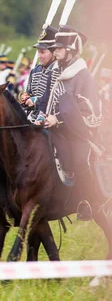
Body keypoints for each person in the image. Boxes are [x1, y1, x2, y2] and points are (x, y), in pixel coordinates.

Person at [42, 25, 103, 220]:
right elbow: (47, 100)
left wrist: (57, 119)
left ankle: (87, 200)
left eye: (59, 48)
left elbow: (87, 110)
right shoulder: (55, 72)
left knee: (79, 160)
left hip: (78, 131)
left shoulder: (83, 76)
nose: (55, 51)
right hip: (51, 126)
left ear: (70, 50)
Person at [18, 25, 60, 121]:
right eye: (38, 52)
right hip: (32, 116)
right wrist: (25, 97)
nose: (39, 56)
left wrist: (35, 101)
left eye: (43, 52)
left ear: (53, 52)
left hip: (49, 118)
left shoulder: (57, 71)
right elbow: (30, 92)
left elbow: (54, 100)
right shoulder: (35, 71)